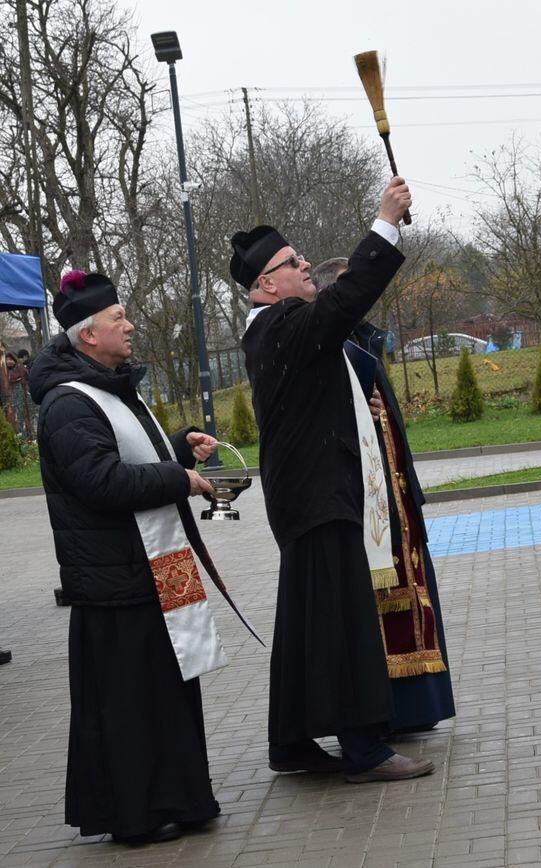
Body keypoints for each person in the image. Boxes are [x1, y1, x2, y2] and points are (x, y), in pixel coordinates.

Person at [235, 176, 436, 781]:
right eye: (293, 262)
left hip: (307, 496)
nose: (305, 267)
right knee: (344, 621)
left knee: (306, 622)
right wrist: (385, 222)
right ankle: (364, 749)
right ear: (267, 284)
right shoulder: (282, 324)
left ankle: (290, 742)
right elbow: (344, 302)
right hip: (318, 497)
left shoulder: (278, 327)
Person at [28, 270, 225, 844]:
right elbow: (102, 481)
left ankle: (182, 798)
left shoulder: (112, 387)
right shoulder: (68, 402)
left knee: (168, 692)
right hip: (115, 580)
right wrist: (179, 479)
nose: (131, 325)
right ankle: (136, 816)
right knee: (131, 706)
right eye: (119, 318)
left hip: (151, 567)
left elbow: (133, 456)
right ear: (89, 335)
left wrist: (180, 445)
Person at [309, 256, 456, 734]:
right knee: (380, 603)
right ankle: (392, 708)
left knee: (413, 593)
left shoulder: (364, 340)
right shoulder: (329, 343)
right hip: (367, 502)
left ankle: (421, 704)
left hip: (396, 494)